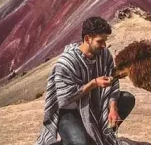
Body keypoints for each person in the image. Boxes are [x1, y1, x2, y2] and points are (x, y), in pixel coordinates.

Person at [36, 17, 135, 145]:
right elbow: (65, 98)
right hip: (69, 111)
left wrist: (113, 108)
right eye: (100, 41)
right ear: (87, 39)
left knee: (127, 98)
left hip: (95, 108)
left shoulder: (104, 55)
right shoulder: (66, 63)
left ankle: (100, 135)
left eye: (105, 41)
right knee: (79, 142)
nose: (104, 45)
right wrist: (93, 84)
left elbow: (113, 83)